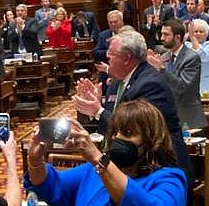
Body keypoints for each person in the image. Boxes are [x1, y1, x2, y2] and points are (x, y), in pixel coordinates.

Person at [72, 29, 194, 186]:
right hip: (128, 168)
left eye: (111, 54)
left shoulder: (150, 84)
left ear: (126, 59)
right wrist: (92, 108)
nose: (106, 57)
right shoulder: (117, 82)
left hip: (159, 171)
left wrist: (98, 111)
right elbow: (106, 128)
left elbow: (136, 131)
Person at [26, 100, 187, 206]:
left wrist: (98, 158)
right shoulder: (94, 171)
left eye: (128, 132)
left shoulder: (169, 178)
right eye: (115, 131)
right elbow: (52, 186)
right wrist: (35, 161)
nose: (117, 138)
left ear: (151, 140)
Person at [146, 19, 207, 129]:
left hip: (189, 118)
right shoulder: (164, 58)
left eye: (166, 34)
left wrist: (161, 70)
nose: (161, 38)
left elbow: (182, 87)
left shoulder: (191, 57)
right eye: (161, 34)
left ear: (178, 37)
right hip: (168, 117)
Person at [186, 18, 209, 98]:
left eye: (201, 31)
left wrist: (192, 38)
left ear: (206, 34)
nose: (198, 34)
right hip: (190, 87)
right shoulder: (187, 45)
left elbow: (203, 56)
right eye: (195, 31)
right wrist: (187, 36)